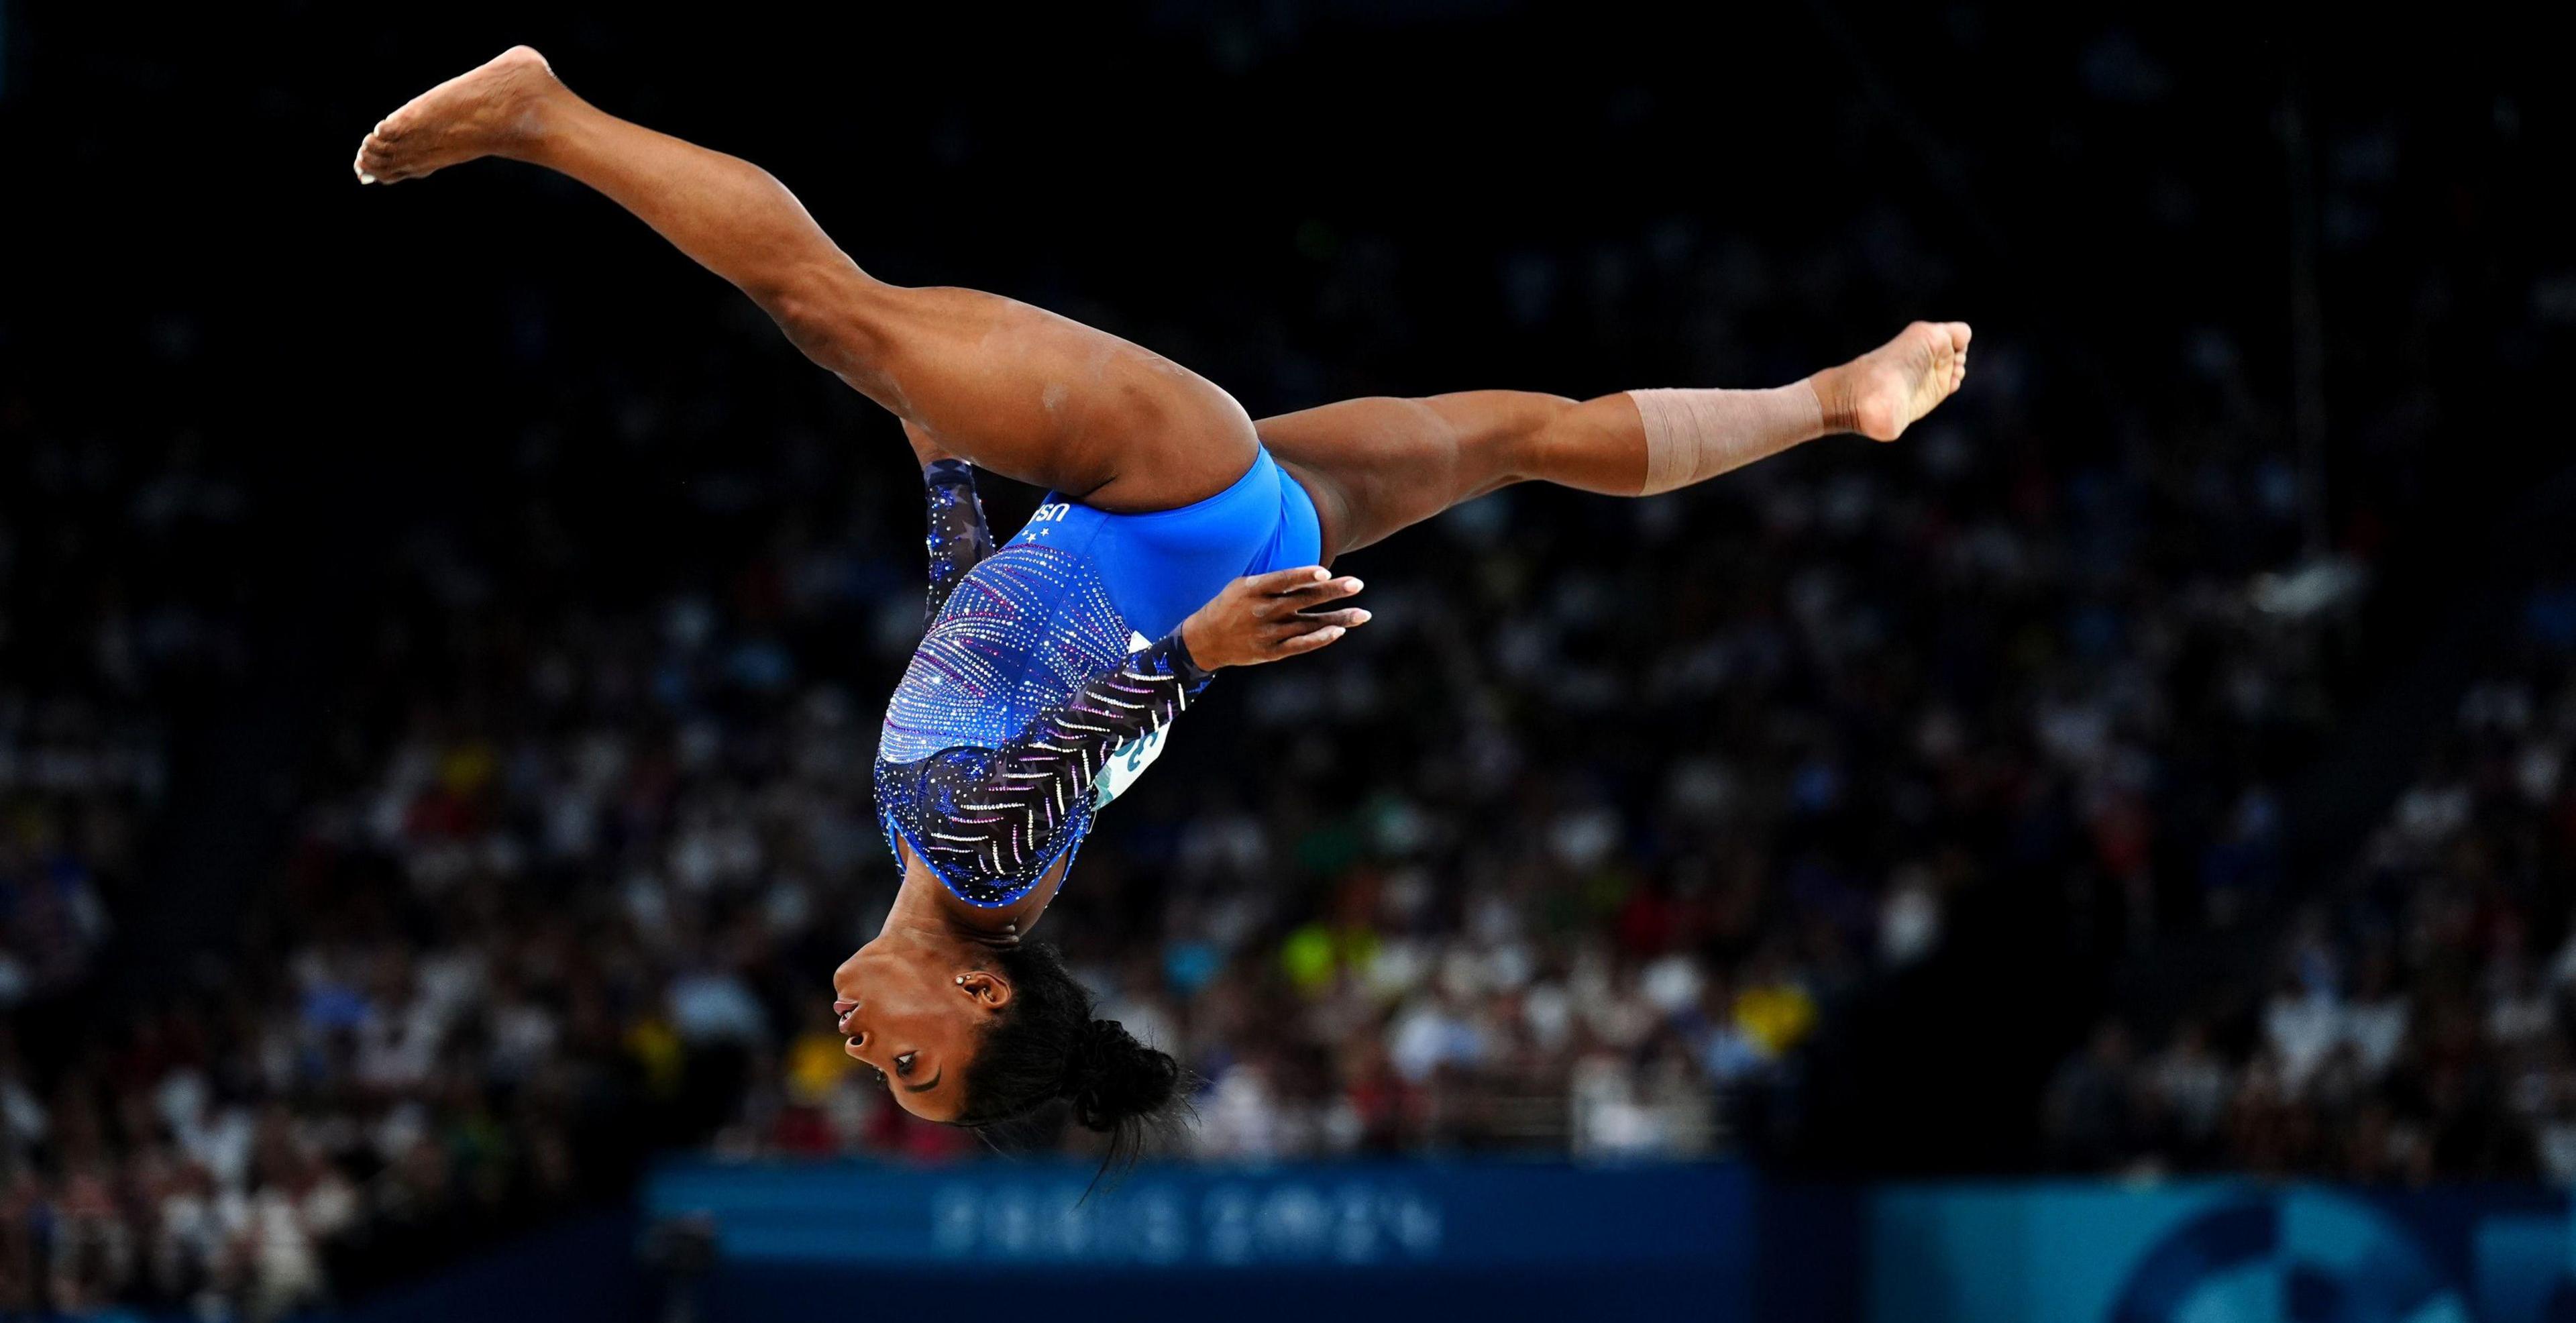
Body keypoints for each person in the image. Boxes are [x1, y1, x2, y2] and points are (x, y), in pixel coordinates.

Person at [353, 48, 1970, 1158]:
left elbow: (994, 663)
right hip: (1165, 500)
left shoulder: (969, 861)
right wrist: (1188, 654)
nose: (867, 1050)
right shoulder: (981, 867)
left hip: (1202, 524)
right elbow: (1076, 723)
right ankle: (542, 112)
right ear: (981, 998)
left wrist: (943, 483)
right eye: (915, 1061)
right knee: (830, 307)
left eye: (885, 1075)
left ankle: (1839, 398)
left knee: (1528, 440)